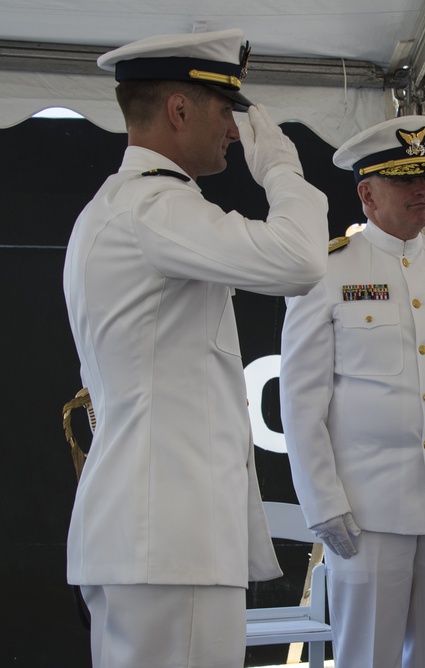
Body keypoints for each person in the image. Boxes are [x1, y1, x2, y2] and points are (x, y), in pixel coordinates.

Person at [62, 28, 329, 668]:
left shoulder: (122, 207)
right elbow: (299, 259)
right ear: (179, 111)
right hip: (167, 541)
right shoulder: (155, 208)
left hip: (158, 538)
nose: (234, 132)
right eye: (223, 110)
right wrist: (284, 171)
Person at [279, 115, 425, 668]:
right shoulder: (328, 271)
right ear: (367, 194)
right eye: (405, 181)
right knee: (370, 655)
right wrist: (321, 501)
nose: (423, 192)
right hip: (367, 508)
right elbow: (301, 400)